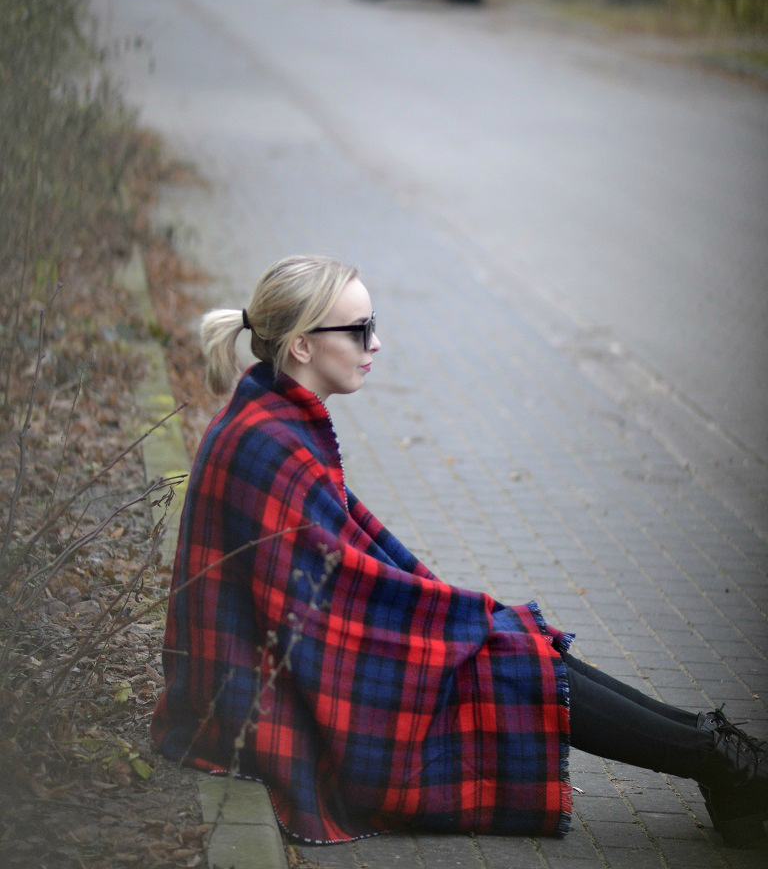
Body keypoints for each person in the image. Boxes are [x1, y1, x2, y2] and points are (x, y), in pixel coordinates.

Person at [151, 255, 767, 850]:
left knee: (508, 637)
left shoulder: (273, 416)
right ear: (302, 346)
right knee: (505, 657)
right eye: (359, 330)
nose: (375, 343)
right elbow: (325, 603)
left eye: (373, 324)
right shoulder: (269, 441)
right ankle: (719, 761)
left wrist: (453, 614)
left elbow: (344, 562)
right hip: (255, 702)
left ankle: (718, 754)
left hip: (270, 669)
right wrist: (445, 622)